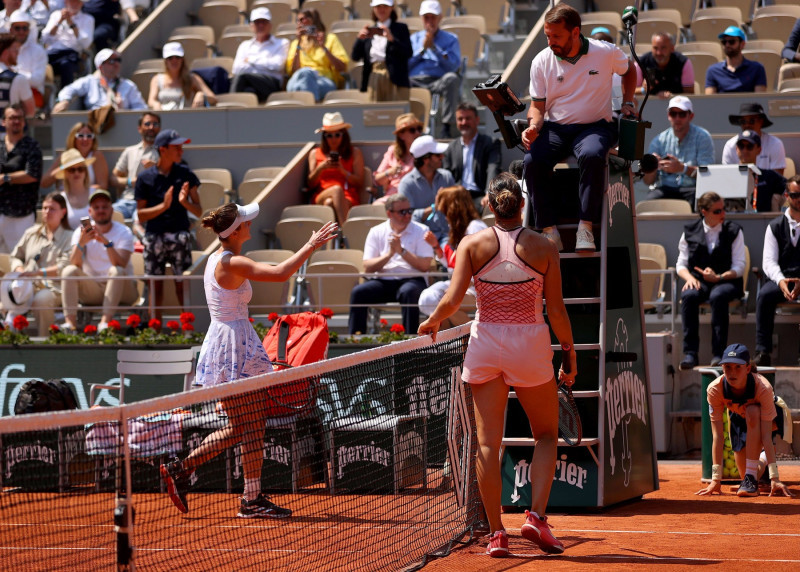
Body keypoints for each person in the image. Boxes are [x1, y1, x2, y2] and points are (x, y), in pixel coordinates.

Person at [418, 173, 576, 558]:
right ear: (522, 205)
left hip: (485, 343)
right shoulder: (545, 246)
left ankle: (496, 534)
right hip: (530, 345)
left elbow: (453, 301)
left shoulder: (472, 244)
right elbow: (555, 309)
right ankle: (536, 517)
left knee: (488, 442)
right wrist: (570, 353)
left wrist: (432, 322)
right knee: (545, 436)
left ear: (489, 205)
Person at [159, 203, 337, 518]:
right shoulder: (232, 262)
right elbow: (281, 274)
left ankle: (190, 472)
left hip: (232, 342)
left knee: (245, 426)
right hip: (232, 348)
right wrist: (311, 245)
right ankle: (245, 497)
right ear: (236, 231)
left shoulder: (219, 257)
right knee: (250, 425)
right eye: (245, 222)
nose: (250, 224)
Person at [522, 4, 636, 253]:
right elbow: (537, 107)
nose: (551, 42)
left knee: (593, 154)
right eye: (547, 36)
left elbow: (630, 71)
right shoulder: (541, 61)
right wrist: (534, 125)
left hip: (595, 126)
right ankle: (549, 231)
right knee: (531, 160)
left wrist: (628, 101)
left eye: (556, 36)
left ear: (575, 33)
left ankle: (585, 227)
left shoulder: (605, 52)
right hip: (556, 128)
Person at [696, 343, 794, 498]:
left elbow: (766, 437)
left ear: (748, 369)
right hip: (738, 418)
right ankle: (758, 463)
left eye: (738, 367)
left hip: (763, 418)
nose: (732, 372)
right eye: (727, 367)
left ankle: (753, 474)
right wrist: (715, 479)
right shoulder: (715, 389)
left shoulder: (763, 388)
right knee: (747, 473)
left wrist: (775, 478)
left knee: (752, 410)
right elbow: (718, 436)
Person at [135, 129, 202, 322]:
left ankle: (187, 329)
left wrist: (185, 202)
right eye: (176, 147)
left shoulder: (187, 174)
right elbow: (140, 215)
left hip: (179, 235)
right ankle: (155, 330)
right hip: (153, 236)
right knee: (155, 285)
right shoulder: (145, 178)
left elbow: (198, 211)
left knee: (183, 284)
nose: (181, 150)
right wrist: (163, 206)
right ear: (163, 149)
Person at [676, 192, 746, 370]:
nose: (723, 214)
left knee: (718, 296)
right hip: (700, 281)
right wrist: (690, 278)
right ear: (704, 211)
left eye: (724, 210)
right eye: (717, 211)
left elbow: (740, 266)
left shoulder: (734, 230)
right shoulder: (689, 231)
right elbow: (680, 264)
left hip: (726, 281)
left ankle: (719, 354)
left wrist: (719, 277)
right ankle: (690, 353)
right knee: (689, 295)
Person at [348, 193, 433, 334]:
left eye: (409, 211)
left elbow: (424, 266)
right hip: (383, 280)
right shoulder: (376, 231)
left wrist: (401, 251)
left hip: (412, 279)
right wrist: (389, 255)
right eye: (402, 212)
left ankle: (410, 342)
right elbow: (368, 267)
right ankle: (356, 340)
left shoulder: (421, 230)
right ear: (389, 213)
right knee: (358, 292)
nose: (407, 215)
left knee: (409, 292)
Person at [59, 189, 138, 331]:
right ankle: (70, 325)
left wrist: (106, 242)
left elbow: (121, 264)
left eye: (104, 206)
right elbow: (75, 264)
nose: (101, 210)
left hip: (123, 291)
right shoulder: (80, 233)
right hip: (94, 290)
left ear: (112, 209)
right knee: (69, 271)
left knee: (116, 270)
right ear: (90, 211)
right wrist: (81, 243)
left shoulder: (124, 231)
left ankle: (104, 324)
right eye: (96, 207)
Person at [418, 185, 486, 326]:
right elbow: (452, 264)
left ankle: (472, 337)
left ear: (453, 209)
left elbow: (483, 265)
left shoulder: (475, 227)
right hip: (459, 284)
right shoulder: (458, 229)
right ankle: (455, 344)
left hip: (476, 288)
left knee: (441, 301)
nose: (445, 216)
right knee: (427, 299)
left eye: (445, 211)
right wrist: (436, 246)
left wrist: (460, 284)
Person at [6, 192, 72, 335]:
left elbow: (64, 267)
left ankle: (45, 342)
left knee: (41, 300)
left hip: (54, 288)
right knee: (5, 301)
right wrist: (19, 268)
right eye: (45, 208)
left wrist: (36, 273)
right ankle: (8, 345)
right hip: (25, 286)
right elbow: (15, 256)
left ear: (63, 212)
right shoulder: (31, 233)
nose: (47, 212)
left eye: (52, 209)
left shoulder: (70, 237)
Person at [754, 176, 800, 367]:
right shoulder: (774, 226)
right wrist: (781, 282)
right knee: (764, 295)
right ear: (787, 196)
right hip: (781, 278)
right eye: (795, 194)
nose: (799, 199)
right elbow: (769, 262)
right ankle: (763, 351)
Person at [643, 95, 714, 209]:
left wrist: (682, 168)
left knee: (703, 205)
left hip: (693, 189)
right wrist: (653, 168)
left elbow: (708, 174)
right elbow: (647, 181)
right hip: (664, 189)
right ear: (668, 116)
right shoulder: (659, 140)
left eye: (682, 114)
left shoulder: (703, 137)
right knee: (646, 206)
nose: (677, 118)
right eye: (673, 114)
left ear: (690, 116)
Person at [407, 0, 460, 138]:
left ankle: (447, 126)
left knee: (452, 79)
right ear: (421, 18)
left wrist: (435, 49)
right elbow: (405, 65)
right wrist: (422, 50)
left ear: (440, 18)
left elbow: (453, 66)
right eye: (426, 17)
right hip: (414, 81)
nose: (430, 21)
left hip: (438, 81)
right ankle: (404, 125)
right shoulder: (413, 39)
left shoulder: (450, 39)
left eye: (433, 17)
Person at [443, 102, 501, 213]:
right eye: (460, 119)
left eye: (468, 118)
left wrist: (489, 193)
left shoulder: (490, 143)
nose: (464, 122)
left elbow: (493, 168)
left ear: (477, 120)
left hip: (480, 197)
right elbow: (446, 175)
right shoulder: (451, 148)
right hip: (457, 196)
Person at [306, 112, 364, 223]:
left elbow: (359, 182)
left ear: (344, 135)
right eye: (329, 135)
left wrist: (342, 171)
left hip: (347, 196)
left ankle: (333, 239)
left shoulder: (355, 152)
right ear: (324, 137)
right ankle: (347, 234)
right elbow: (310, 184)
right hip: (321, 194)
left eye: (337, 135)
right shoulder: (315, 153)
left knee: (329, 202)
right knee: (336, 190)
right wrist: (320, 168)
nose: (333, 139)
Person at [0, 103, 42, 253]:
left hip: (21, 216)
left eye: (19, 118)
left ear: (24, 122)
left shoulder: (32, 146)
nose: (16, 121)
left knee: (20, 263)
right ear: (3, 121)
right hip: (1, 213)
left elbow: (32, 174)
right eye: (12, 118)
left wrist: (5, 178)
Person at [398, 134, 454, 246]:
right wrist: (435, 207)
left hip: (449, 237)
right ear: (426, 159)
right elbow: (405, 218)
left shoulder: (447, 176)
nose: (442, 157)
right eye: (438, 155)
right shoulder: (406, 183)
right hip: (420, 240)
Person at [53, 48, 148, 113]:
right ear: (100, 66)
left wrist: (124, 111)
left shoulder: (128, 85)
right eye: (111, 61)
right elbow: (68, 90)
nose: (116, 64)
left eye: (118, 60)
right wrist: (65, 101)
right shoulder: (90, 81)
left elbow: (141, 109)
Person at [351, 0, 411, 102]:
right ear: (374, 9)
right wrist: (359, 39)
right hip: (374, 76)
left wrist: (392, 39)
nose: (382, 9)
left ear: (392, 8)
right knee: (374, 113)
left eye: (385, 6)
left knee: (396, 112)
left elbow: (408, 52)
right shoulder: (369, 31)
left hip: (395, 77)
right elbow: (355, 56)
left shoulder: (401, 28)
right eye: (378, 6)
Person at [285, 9, 349, 102]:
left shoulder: (330, 39)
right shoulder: (296, 44)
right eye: (298, 21)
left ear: (313, 20)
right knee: (305, 74)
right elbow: (294, 70)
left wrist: (323, 47)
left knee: (306, 79)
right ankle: (313, 110)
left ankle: (305, 109)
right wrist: (299, 43)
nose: (299, 23)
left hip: (323, 80)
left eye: (302, 19)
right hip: (297, 80)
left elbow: (342, 67)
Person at [231, 7, 288, 104]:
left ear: (270, 25)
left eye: (264, 22)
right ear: (251, 25)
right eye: (257, 22)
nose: (261, 25)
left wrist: (250, 60)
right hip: (250, 84)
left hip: (271, 84)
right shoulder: (244, 45)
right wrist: (264, 64)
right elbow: (236, 69)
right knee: (248, 91)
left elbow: (277, 66)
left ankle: (231, 107)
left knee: (242, 77)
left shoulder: (282, 43)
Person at [111, 111, 160, 220]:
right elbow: (113, 179)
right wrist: (130, 182)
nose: (151, 127)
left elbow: (173, 178)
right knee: (106, 215)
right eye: (147, 124)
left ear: (159, 128)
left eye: (155, 124)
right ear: (139, 128)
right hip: (127, 200)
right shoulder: (130, 151)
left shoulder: (165, 151)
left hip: (151, 202)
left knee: (139, 222)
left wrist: (157, 168)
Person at [41, 0, 94, 89]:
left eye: (77, 2)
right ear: (66, 2)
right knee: (40, 63)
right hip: (53, 54)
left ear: (82, 4)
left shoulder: (88, 19)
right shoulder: (56, 15)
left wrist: (72, 24)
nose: (74, 4)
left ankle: (65, 95)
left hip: (72, 55)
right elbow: (45, 39)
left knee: (66, 65)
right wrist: (59, 21)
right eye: (72, 1)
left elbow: (85, 43)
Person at [721, 103, 786, 175]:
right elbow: (727, 177)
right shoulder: (730, 145)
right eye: (743, 121)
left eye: (752, 121)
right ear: (736, 148)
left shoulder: (775, 144)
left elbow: (777, 181)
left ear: (761, 122)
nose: (747, 125)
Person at [41, 121, 110, 189]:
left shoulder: (96, 155)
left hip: (87, 197)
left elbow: (103, 186)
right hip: (64, 197)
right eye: (80, 135)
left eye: (89, 136)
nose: (85, 139)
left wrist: (80, 191)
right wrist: (63, 167)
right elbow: (44, 183)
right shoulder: (65, 156)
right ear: (73, 138)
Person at [148, 42, 216, 110]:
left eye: (177, 57)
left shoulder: (192, 78)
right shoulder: (157, 79)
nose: (174, 60)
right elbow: (151, 100)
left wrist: (202, 95)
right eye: (170, 58)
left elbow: (213, 98)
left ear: (182, 60)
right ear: (165, 61)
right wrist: (155, 104)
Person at [373, 112, 423, 203]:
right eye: (412, 130)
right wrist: (390, 172)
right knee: (377, 205)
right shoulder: (392, 151)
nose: (417, 133)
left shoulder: (425, 151)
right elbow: (378, 180)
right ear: (401, 135)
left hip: (416, 195)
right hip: (393, 197)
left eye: (419, 129)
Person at [734, 130, 786, 213]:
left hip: (763, 222)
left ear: (759, 150)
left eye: (749, 146)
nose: (745, 150)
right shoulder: (728, 174)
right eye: (741, 146)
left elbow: (791, 189)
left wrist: (776, 201)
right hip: (733, 222)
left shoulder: (769, 176)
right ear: (736, 149)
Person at [705, 26, 767, 94]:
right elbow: (709, 101)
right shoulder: (713, 70)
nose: (727, 45)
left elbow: (760, 99)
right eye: (724, 42)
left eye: (732, 41)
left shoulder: (757, 69)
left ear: (742, 44)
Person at [636, 32, 695, 98]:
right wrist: (644, 89)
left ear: (672, 48)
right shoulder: (641, 63)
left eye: (663, 48)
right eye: (655, 48)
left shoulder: (683, 62)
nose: (659, 53)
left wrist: (671, 97)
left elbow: (689, 93)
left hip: (676, 105)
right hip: (648, 105)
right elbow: (631, 92)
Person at [9, 12, 47, 110]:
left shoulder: (38, 51)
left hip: (32, 94)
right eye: (17, 28)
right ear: (11, 29)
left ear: (29, 30)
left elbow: (37, 80)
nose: (21, 31)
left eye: (24, 28)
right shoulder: (5, 50)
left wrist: (13, 74)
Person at [53, 148, 94, 229]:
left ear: (85, 171)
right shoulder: (60, 199)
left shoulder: (96, 194)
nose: (76, 173)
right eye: (71, 170)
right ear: (65, 173)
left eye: (80, 169)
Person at [0, 33, 34, 116]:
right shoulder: (18, 79)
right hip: (7, 128)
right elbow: (30, 111)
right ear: (5, 53)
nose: (18, 53)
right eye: (15, 49)